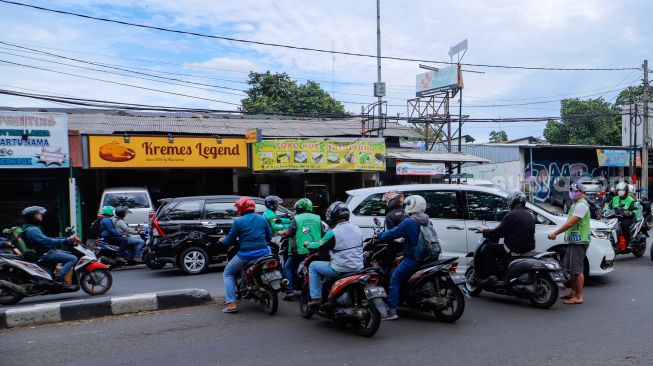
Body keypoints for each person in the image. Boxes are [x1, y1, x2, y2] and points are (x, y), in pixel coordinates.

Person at [375, 195, 436, 320]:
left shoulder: (409, 222)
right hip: (428, 256)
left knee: (394, 279)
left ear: (411, 205)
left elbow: (393, 233)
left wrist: (379, 235)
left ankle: (392, 311)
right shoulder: (427, 220)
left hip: (414, 258)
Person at [304, 201, 363, 307]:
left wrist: (308, 244)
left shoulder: (333, 232)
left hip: (340, 268)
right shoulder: (357, 229)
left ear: (333, 216)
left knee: (313, 266)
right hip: (358, 267)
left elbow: (318, 245)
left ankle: (316, 298)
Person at [219, 197, 273, 313]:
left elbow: (229, 240)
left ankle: (232, 304)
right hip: (264, 252)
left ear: (241, 208)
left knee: (228, 273)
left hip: (246, 254)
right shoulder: (262, 219)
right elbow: (269, 237)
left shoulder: (238, 222)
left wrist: (222, 240)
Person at [477, 191, 536, 284]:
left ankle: (492, 276)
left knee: (489, 248)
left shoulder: (511, 215)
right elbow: (516, 230)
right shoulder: (530, 215)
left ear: (513, 201)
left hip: (515, 248)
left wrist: (484, 231)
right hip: (528, 248)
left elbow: (498, 231)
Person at [548, 182, 590, 305]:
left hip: (579, 241)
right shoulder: (575, 204)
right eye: (571, 190)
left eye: (576, 190)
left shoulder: (581, 205)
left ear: (582, 193)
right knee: (572, 270)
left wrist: (555, 233)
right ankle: (573, 292)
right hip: (574, 240)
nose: (572, 192)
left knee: (577, 270)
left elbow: (570, 223)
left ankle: (578, 296)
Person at [21, 206, 78, 289]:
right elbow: (47, 241)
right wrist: (65, 240)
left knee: (66, 253)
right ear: (32, 217)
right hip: (45, 254)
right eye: (38, 214)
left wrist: (64, 239)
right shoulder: (33, 230)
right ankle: (59, 279)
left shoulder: (30, 228)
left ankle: (57, 274)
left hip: (46, 252)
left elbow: (49, 239)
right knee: (73, 258)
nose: (40, 215)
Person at [277, 198, 323, 301]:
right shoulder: (318, 218)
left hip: (300, 250)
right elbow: (322, 232)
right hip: (315, 249)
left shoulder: (297, 218)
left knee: (287, 268)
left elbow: (288, 232)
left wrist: (280, 232)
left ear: (298, 208)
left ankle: (289, 291)